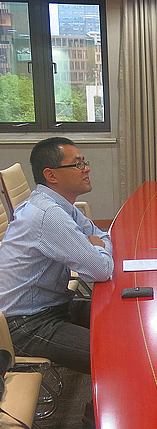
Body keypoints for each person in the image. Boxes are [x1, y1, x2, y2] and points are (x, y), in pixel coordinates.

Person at [0, 137, 114, 374]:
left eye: (85, 162)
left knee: (128, 318)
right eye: (78, 164)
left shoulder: (60, 205)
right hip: (24, 323)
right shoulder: (48, 214)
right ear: (51, 175)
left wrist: (96, 245)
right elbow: (100, 271)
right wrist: (97, 247)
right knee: (113, 354)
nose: (86, 169)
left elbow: (100, 235)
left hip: (55, 306)